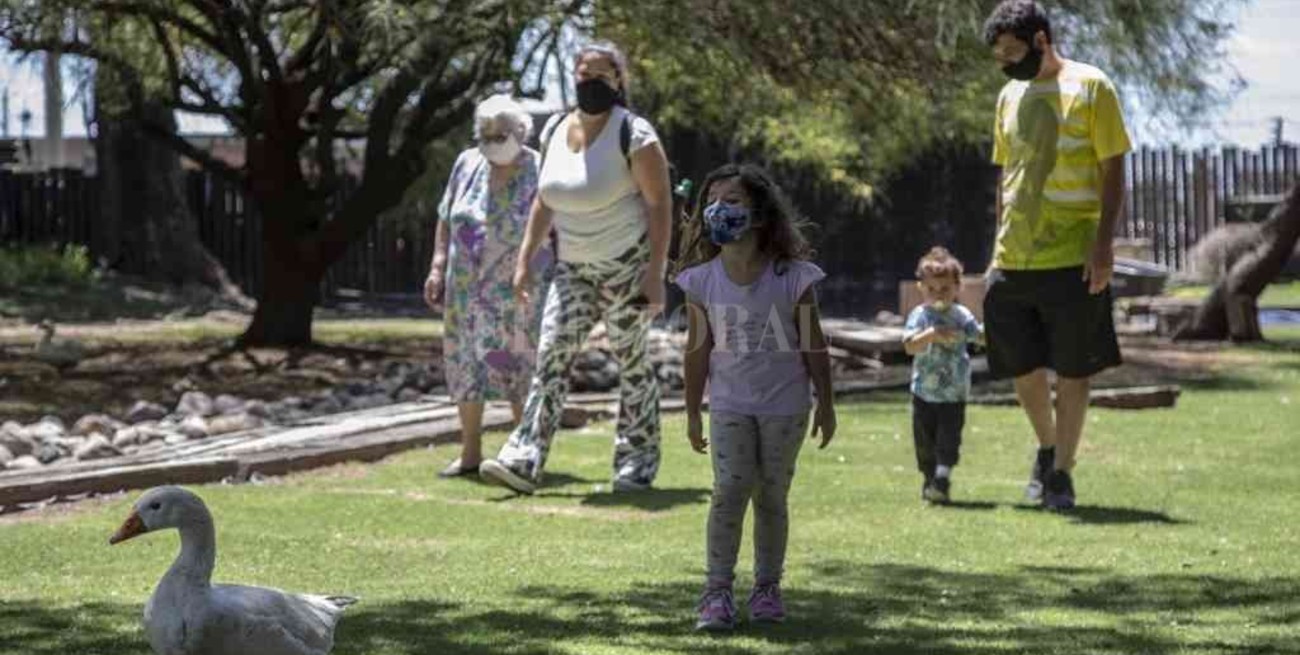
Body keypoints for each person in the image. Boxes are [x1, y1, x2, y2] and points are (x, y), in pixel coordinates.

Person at [478, 40, 674, 494]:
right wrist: (525, 259)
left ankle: (636, 460)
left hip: (627, 265)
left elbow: (660, 205)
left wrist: (654, 274)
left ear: (619, 81)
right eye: (584, 74)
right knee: (551, 355)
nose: (591, 83)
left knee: (631, 361)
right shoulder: (553, 131)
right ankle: (525, 457)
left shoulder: (635, 134)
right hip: (573, 270)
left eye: (602, 75)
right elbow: (545, 201)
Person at [674, 163, 836, 631]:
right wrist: (691, 411)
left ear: (761, 215)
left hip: (786, 407)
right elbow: (697, 348)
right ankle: (716, 592)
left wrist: (825, 403)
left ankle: (767, 588)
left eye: (733, 201)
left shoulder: (793, 276)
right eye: (713, 201)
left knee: (771, 496)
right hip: (729, 405)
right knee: (728, 491)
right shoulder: (701, 280)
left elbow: (814, 343)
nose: (718, 210)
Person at [982, 0, 1131, 509]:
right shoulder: (1008, 94)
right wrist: (993, 251)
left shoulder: (1093, 86)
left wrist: (1103, 245)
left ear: (1041, 39)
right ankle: (1047, 448)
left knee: (1073, 370)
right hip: (1012, 257)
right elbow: (1007, 177)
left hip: (1074, 255)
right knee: (1021, 367)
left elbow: (1113, 172)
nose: (1006, 62)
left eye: (1012, 51)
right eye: (999, 55)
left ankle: (1062, 473)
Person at [424, 94, 552, 478]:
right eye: (485, 133)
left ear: (520, 132)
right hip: (465, 286)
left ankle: (522, 453)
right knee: (464, 361)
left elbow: (554, 225)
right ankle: (470, 453)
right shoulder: (466, 163)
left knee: (519, 362)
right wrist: (437, 263)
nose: (492, 140)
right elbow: (446, 216)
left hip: (519, 286)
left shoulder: (540, 168)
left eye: (500, 134)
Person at [902, 247, 984, 504]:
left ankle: (942, 477)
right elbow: (909, 346)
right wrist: (931, 335)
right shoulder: (920, 316)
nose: (938, 295)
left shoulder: (961, 316)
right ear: (921, 287)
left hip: (954, 392)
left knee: (949, 439)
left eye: (945, 289)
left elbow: (978, 336)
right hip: (924, 391)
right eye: (932, 289)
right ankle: (930, 479)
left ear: (957, 287)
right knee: (925, 441)